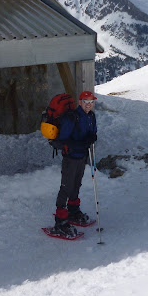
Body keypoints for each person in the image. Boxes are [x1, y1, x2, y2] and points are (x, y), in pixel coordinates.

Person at [52, 91, 98, 238]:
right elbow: (63, 140)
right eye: (85, 101)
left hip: (82, 157)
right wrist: (81, 143)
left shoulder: (91, 116)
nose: (88, 104)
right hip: (71, 158)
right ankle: (60, 221)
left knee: (76, 184)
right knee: (66, 187)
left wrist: (92, 137)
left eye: (91, 101)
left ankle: (73, 211)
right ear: (79, 102)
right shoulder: (71, 117)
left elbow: (92, 133)